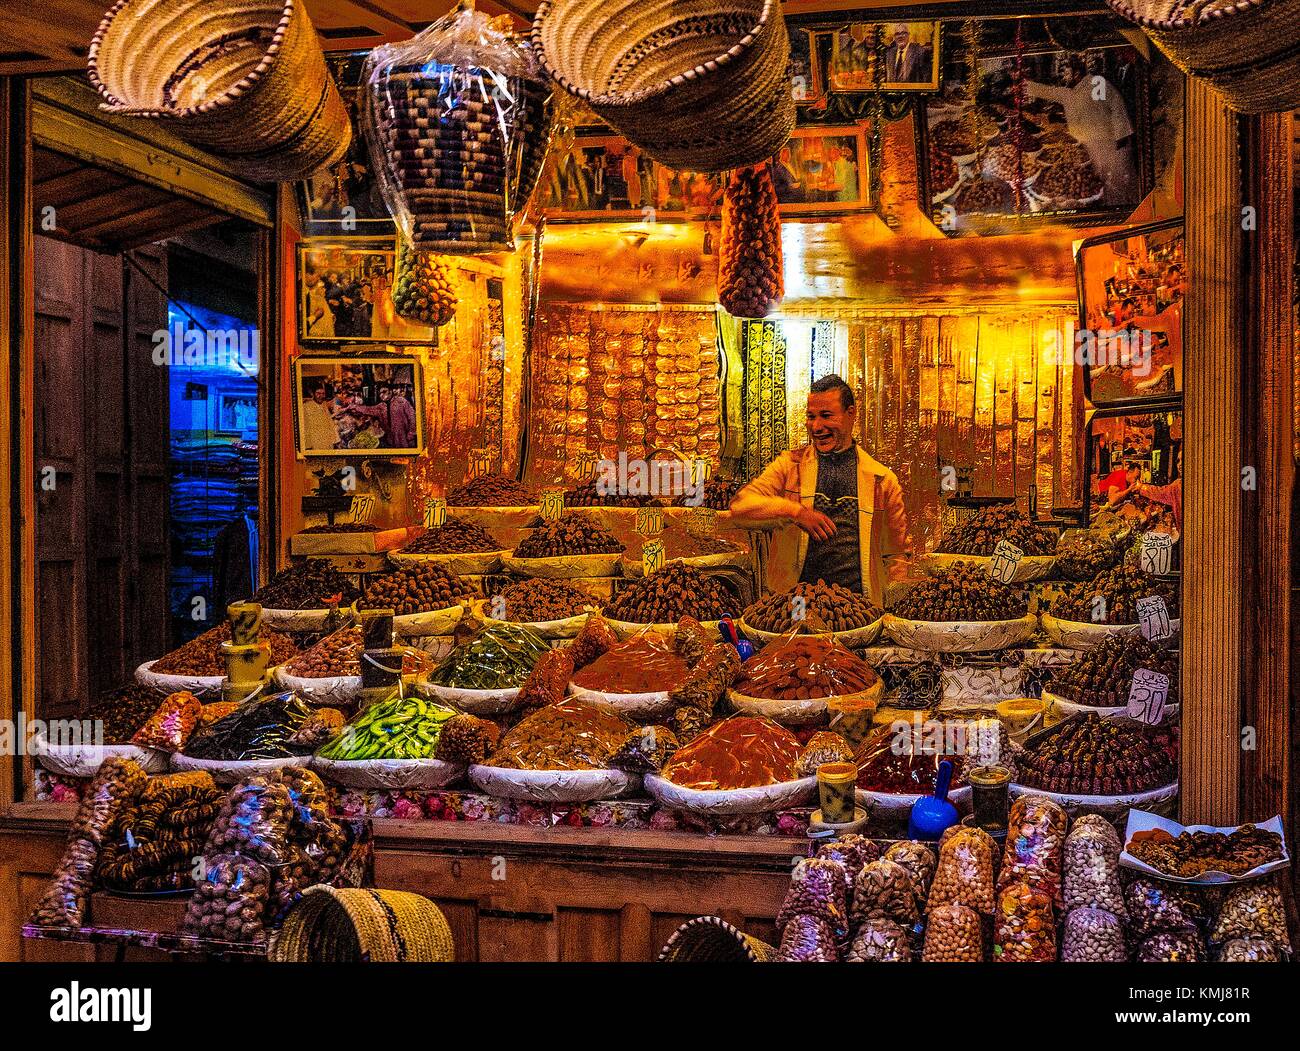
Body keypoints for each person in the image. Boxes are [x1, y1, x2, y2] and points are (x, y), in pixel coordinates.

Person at [729, 374, 912, 605]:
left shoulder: (882, 480)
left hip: (858, 607)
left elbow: (896, 555)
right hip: (796, 604)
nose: (816, 427)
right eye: (810, 417)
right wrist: (795, 513)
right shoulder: (789, 466)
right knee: (797, 639)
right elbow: (740, 507)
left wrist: (893, 606)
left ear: (850, 414)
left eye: (826, 416)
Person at [1025, 56, 1135, 204]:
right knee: (1096, 182)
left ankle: (1121, 209)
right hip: (1086, 146)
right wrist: (1023, 85)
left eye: (1066, 73)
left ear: (1076, 73)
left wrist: (1122, 134)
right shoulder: (1069, 93)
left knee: (1117, 181)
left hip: (1108, 143)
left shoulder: (1095, 84)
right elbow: (1047, 91)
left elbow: (1116, 105)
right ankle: (1104, 206)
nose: (1064, 76)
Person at [300, 381, 341, 451]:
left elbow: (330, 423)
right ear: (312, 394)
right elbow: (305, 427)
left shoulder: (324, 405)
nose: (321, 396)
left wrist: (336, 440)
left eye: (323, 394)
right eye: (318, 393)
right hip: (315, 443)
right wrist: (307, 446)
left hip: (327, 442)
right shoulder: (306, 407)